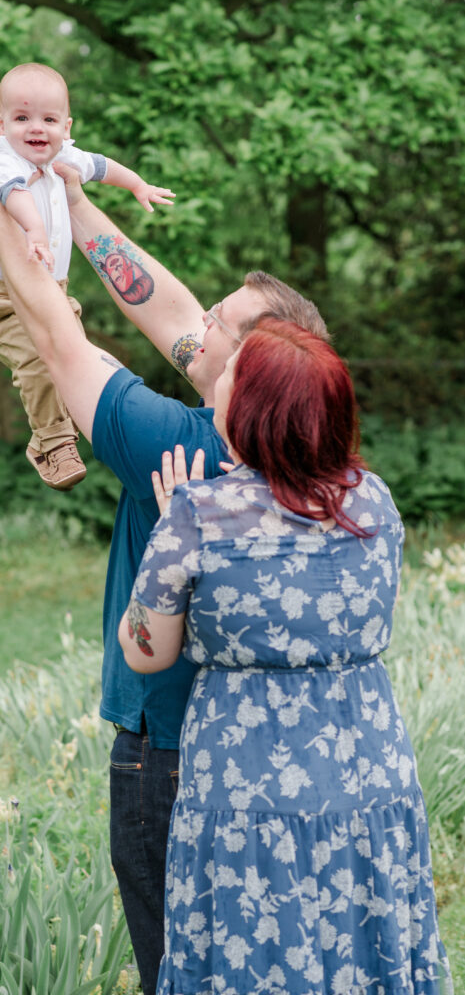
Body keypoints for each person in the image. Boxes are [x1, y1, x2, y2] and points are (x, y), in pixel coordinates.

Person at [0, 153, 328, 994]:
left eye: (221, 325)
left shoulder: (177, 446)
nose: (197, 325)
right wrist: (72, 202)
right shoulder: (307, 459)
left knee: (178, 970)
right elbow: (159, 303)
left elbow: (55, 333)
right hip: (272, 755)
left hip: (165, 754)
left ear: (253, 365)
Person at [119, 319, 453, 993]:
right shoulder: (373, 500)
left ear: (253, 410)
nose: (215, 384)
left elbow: (145, 652)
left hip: (247, 780)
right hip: (366, 766)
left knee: (250, 948)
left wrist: (163, 547)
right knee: (365, 941)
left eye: (230, 376)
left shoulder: (197, 513)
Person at [0, 62, 175, 490]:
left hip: (55, 291)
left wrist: (138, 184)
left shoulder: (63, 156)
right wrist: (33, 230)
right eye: (22, 118)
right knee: (36, 362)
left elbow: (101, 165)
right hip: (8, 301)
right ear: (1, 122)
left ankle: (59, 432)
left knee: (76, 362)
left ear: (66, 126)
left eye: (49, 120)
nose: (37, 129)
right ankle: (53, 441)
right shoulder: (3, 161)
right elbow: (13, 193)